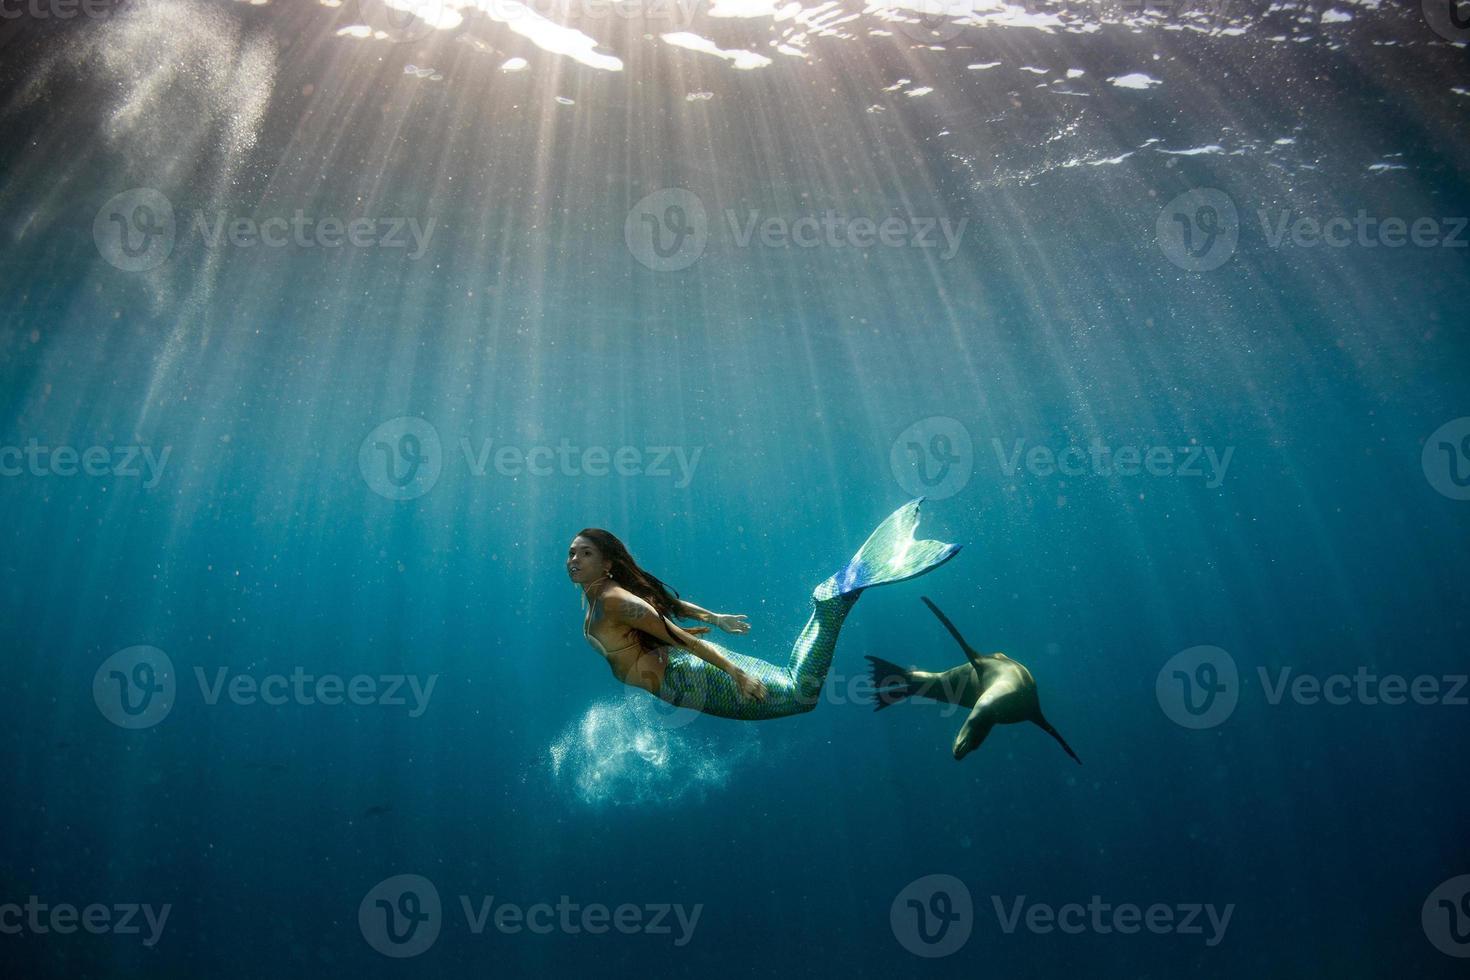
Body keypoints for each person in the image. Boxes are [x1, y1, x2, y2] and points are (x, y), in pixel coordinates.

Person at [569, 499, 960, 720]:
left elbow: (677, 636)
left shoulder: (612, 599)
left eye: (584, 554)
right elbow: (669, 605)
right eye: (571, 553)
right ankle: (832, 601)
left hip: (689, 679)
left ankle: (833, 601)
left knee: (799, 697)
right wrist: (715, 618)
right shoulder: (600, 590)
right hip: (683, 674)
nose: (573, 560)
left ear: (606, 563)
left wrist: (736, 674)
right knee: (794, 683)